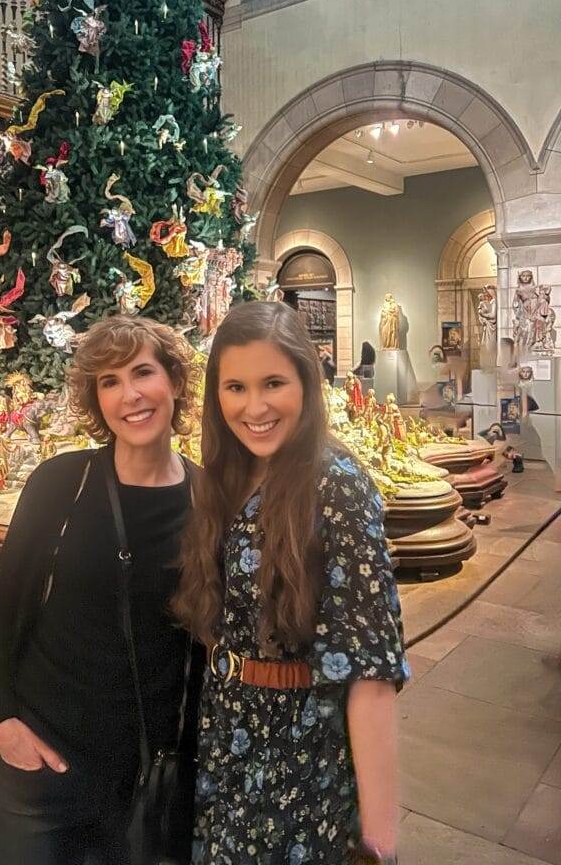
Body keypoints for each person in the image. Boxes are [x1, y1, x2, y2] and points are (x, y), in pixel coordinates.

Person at [173, 301, 409, 865]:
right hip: (228, 741)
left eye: (273, 382)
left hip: (304, 758)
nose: (254, 407)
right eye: (235, 387)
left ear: (306, 381)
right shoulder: (227, 475)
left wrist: (379, 846)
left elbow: (370, 673)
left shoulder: (337, 486)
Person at [0, 316, 199, 865]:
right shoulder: (61, 483)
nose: (130, 395)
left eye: (143, 372)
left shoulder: (208, 499)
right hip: (41, 770)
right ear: (96, 400)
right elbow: (2, 608)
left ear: (173, 380)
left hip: (145, 777)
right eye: (109, 381)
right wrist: (2, 722)